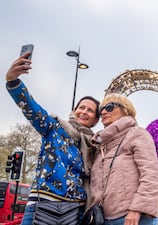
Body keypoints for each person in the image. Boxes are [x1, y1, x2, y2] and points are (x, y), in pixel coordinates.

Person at [5, 52, 100, 225]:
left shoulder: (95, 144)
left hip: (75, 210)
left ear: (95, 120)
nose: (84, 112)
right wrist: (13, 81)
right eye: (81, 107)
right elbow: (32, 108)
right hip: (42, 204)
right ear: (74, 110)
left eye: (90, 110)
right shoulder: (54, 127)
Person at [88, 93, 158, 225]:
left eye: (109, 107)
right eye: (101, 110)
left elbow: (151, 176)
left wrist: (137, 210)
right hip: (102, 219)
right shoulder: (99, 146)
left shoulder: (136, 134)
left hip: (132, 218)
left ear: (125, 110)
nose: (104, 111)